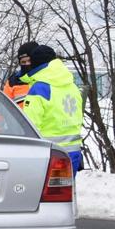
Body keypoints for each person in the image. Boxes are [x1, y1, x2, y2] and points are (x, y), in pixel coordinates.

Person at [20, 45, 84, 173]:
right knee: (66, 192)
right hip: (74, 153)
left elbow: (30, 126)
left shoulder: (39, 88)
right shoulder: (72, 86)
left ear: (36, 64)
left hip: (48, 155)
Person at [3, 40, 38, 108]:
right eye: (23, 62)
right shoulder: (13, 81)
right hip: (19, 118)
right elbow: (4, 106)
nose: (27, 64)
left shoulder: (47, 77)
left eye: (29, 61)